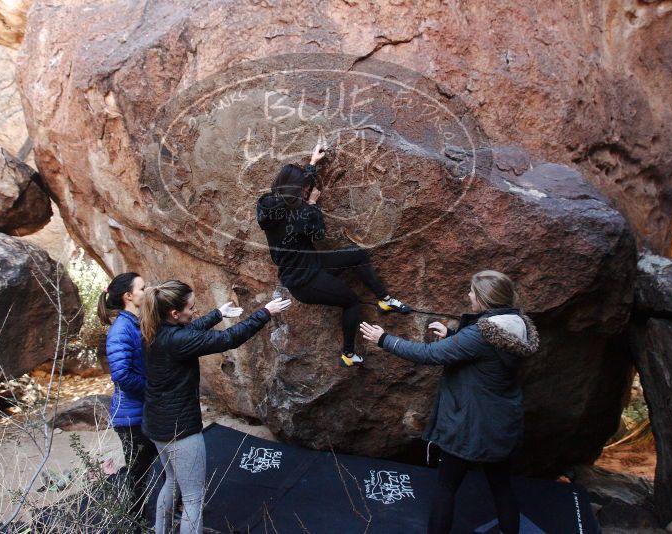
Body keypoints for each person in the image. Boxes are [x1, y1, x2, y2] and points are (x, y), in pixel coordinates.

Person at [360, 270, 539, 534]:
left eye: (471, 291)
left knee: (446, 489)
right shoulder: (517, 323)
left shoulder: (480, 334)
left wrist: (384, 339)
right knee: (502, 488)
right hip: (502, 423)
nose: (468, 295)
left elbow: (428, 354)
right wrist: (453, 334)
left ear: (484, 299)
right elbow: (484, 353)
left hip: (470, 426)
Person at [139, 280, 291, 534]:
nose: (193, 311)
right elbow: (228, 339)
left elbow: (188, 332)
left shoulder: (152, 329)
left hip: (156, 423)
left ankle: (160, 530)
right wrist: (265, 313)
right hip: (179, 429)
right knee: (192, 498)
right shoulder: (177, 338)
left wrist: (218, 314)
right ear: (174, 314)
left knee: (172, 483)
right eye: (190, 308)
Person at [256, 141, 412, 367]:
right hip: (305, 281)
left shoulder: (268, 206)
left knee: (356, 255)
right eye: (300, 189)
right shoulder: (297, 213)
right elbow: (317, 234)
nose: (303, 191)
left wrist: (312, 164)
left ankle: (385, 300)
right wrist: (311, 204)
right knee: (351, 302)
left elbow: (293, 195)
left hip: (312, 263)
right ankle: (348, 354)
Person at [98, 272, 156, 528]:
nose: (147, 291)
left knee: (148, 467)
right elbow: (121, 375)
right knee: (138, 473)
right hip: (130, 416)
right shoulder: (120, 330)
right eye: (142, 288)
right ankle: (136, 523)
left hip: (141, 411)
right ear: (128, 296)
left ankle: (148, 517)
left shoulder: (135, 323)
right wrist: (154, 390)